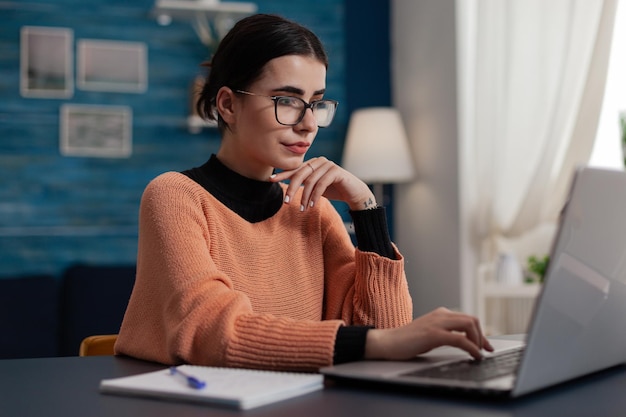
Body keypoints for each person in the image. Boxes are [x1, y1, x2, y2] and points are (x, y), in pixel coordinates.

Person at [115, 13, 493, 372]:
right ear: (228, 104)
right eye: (288, 101)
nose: (309, 124)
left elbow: (384, 327)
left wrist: (365, 206)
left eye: (315, 103)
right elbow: (212, 331)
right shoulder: (176, 196)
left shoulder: (314, 210)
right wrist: (378, 344)